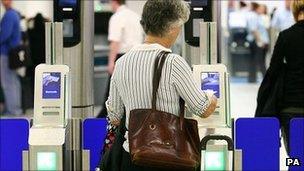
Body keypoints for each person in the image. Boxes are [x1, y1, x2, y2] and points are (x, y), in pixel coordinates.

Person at [105, 0, 217, 170]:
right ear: (173, 27)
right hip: (168, 158)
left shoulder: (122, 63)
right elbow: (202, 108)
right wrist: (211, 95)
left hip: (133, 157)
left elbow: (114, 115)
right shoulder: (173, 63)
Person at [259, 0, 304, 154]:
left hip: (291, 107)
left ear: (295, 11)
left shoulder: (286, 36)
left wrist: (261, 107)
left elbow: (272, 72)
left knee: (296, 156)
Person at [98, 0, 143, 118]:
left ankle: (102, 125)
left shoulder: (117, 17)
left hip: (122, 57)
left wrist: (111, 62)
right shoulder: (135, 16)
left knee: (111, 96)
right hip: (138, 58)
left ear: (114, 2)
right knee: (134, 95)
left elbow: (115, 42)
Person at [0, 0, 22, 115]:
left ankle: (12, 110)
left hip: (6, 53)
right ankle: (15, 108)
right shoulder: (15, 14)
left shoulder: (9, 15)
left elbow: (4, 35)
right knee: (13, 81)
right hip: (13, 54)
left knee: (8, 82)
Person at [246, 2, 269, 82]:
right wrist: (260, 42)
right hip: (257, 42)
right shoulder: (254, 17)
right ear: (257, 8)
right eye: (261, 8)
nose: (263, 10)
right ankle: (263, 79)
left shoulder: (259, 17)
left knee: (257, 61)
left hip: (260, 42)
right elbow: (254, 30)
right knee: (258, 61)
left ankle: (253, 79)